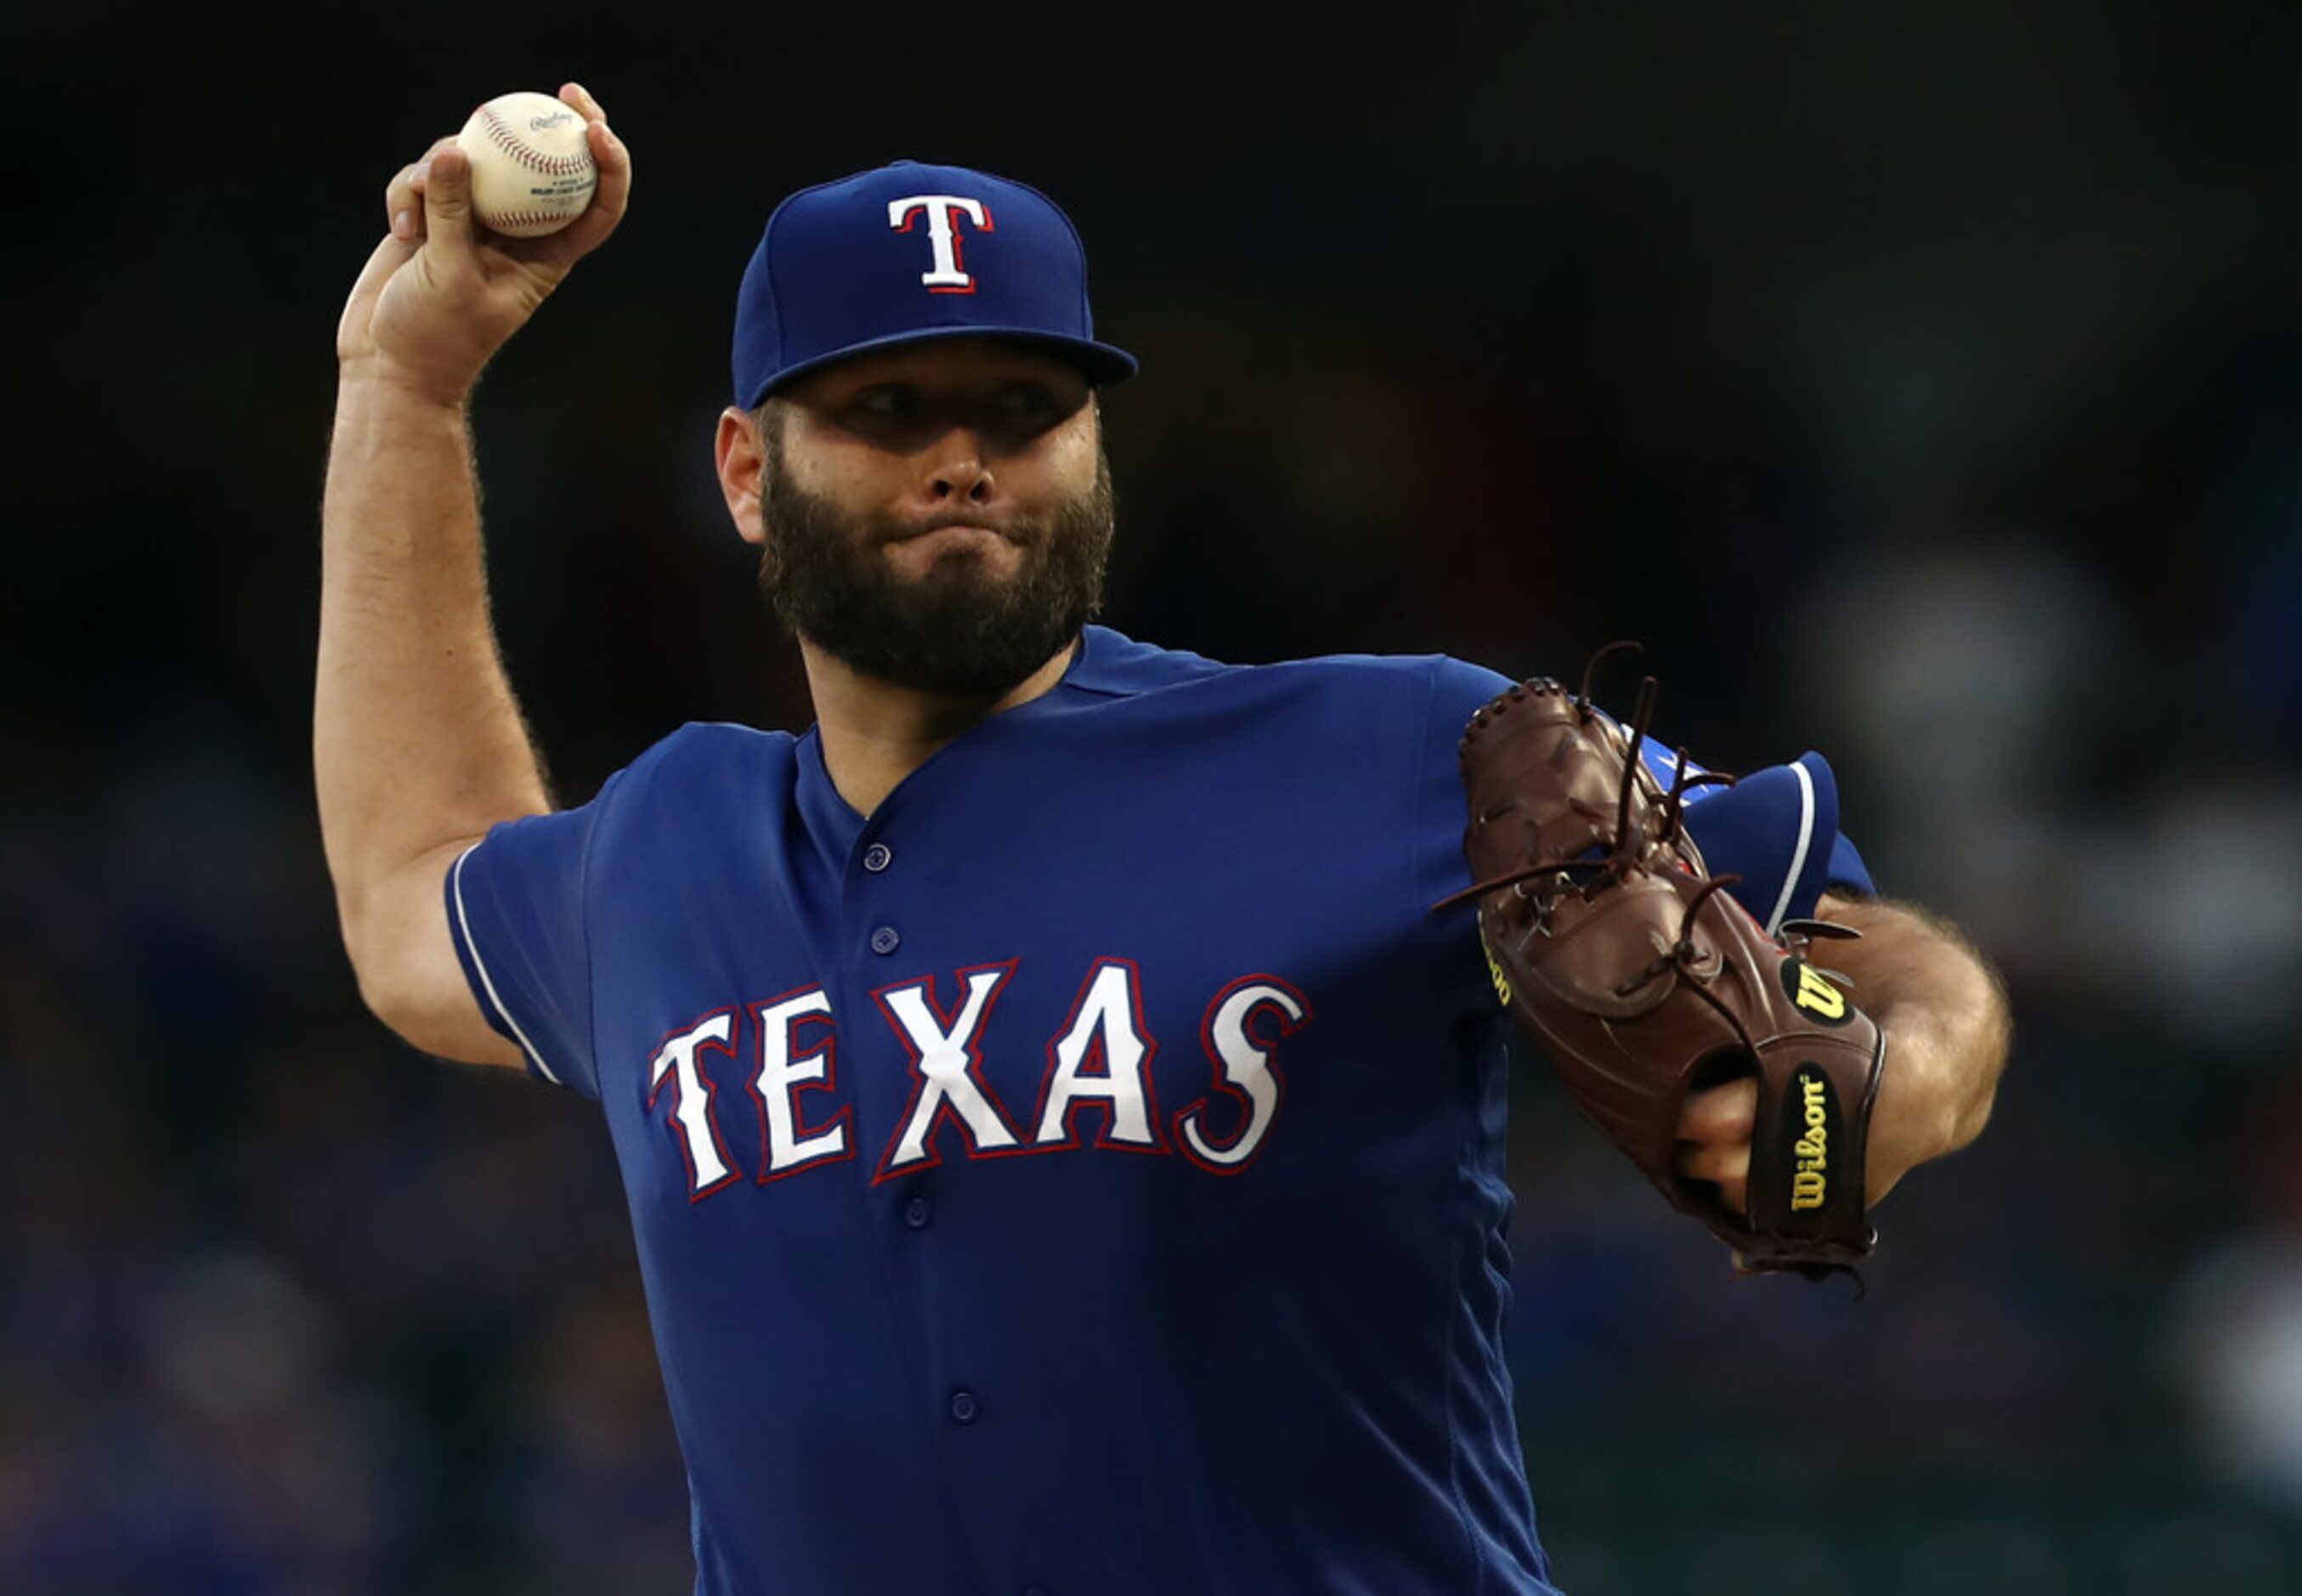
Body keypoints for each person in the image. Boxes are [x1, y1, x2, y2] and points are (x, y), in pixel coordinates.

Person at [318, 83, 2011, 1595]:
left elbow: (1866, 946)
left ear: (1096, 449)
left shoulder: (1393, 746)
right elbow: (409, 910)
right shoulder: (662, 850)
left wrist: (1866, 1098)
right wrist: (407, 379)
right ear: (749, 474)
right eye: (888, 409)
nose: (963, 458)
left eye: (1021, 403)